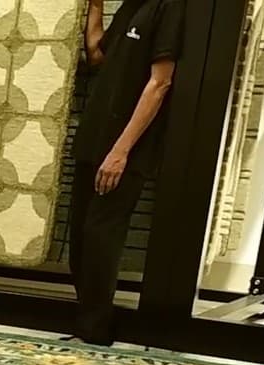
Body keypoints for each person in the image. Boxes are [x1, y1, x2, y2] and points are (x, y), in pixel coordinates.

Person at [69, 0, 184, 345]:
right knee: (80, 241)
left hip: (126, 149)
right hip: (94, 138)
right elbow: (96, 54)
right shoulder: (132, 6)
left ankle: (96, 332)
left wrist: (121, 151)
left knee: (101, 237)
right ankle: (86, 327)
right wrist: (95, 6)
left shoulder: (169, 7)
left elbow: (160, 83)